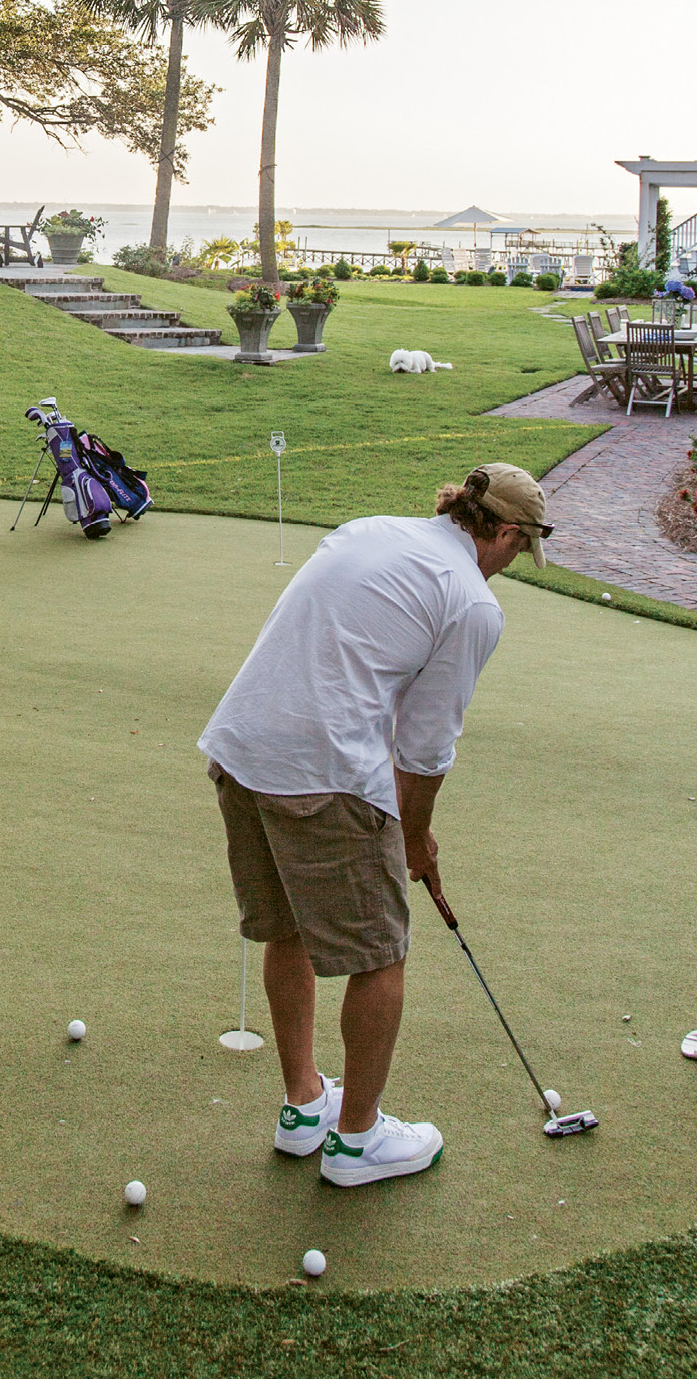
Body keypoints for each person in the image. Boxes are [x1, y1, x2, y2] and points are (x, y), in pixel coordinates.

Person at [198, 462, 551, 1187]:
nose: (513, 567)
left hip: (240, 747)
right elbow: (423, 751)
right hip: (321, 771)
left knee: (290, 928)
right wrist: (414, 839)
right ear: (506, 534)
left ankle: (304, 1109)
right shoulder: (472, 604)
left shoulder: (370, 530)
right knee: (380, 955)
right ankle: (357, 1142)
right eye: (520, 551)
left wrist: (406, 831)